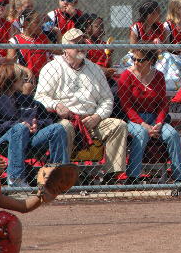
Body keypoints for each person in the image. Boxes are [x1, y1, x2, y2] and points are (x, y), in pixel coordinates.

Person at [35, 28, 129, 182]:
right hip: (66, 119)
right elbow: (40, 97)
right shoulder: (52, 68)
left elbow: (107, 99)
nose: (81, 46)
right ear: (65, 47)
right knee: (63, 128)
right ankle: (64, 176)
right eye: (76, 43)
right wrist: (56, 104)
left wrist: (98, 116)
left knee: (118, 125)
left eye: (83, 42)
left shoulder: (95, 69)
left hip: (92, 120)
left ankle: (112, 176)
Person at [0, 64, 70, 188]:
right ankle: (16, 179)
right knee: (20, 128)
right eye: (22, 78)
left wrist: (37, 125)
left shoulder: (26, 99)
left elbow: (47, 119)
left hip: (31, 139)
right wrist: (17, 125)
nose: (24, 81)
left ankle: (57, 177)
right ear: (12, 80)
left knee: (58, 128)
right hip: (4, 143)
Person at [117, 48, 181, 190]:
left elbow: (162, 104)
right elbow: (126, 107)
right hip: (134, 118)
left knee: (172, 134)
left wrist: (158, 123)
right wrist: (143, 124)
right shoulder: (126, 76)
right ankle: (133, 177)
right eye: (134, 59)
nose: (136, 62)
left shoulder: (158, 76)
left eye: (140, 60)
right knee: (141, 133)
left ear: (150, 61)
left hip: (155, 118)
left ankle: (180, 177)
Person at [8, 9, 54, 95]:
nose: (40, 25)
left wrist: (57, 33)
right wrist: (26, 70)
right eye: (36, 22)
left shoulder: (43, 38)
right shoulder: (15, 40)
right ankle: (25, 102)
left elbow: (59, 51)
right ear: (26, 24)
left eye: (41, 22)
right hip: (25, 77)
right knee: (28, 86)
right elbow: (10, 63)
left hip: (44, 76)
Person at [81, 14, 116, 79]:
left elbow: (108, 65)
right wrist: (104, 70)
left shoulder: (104, 44)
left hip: (105, 77)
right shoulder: (85, 44)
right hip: (91, 77)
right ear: (88, 28)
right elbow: (86, 65)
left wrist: (109, 54)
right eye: (97, 26)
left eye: (102, 27)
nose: (101, 30)